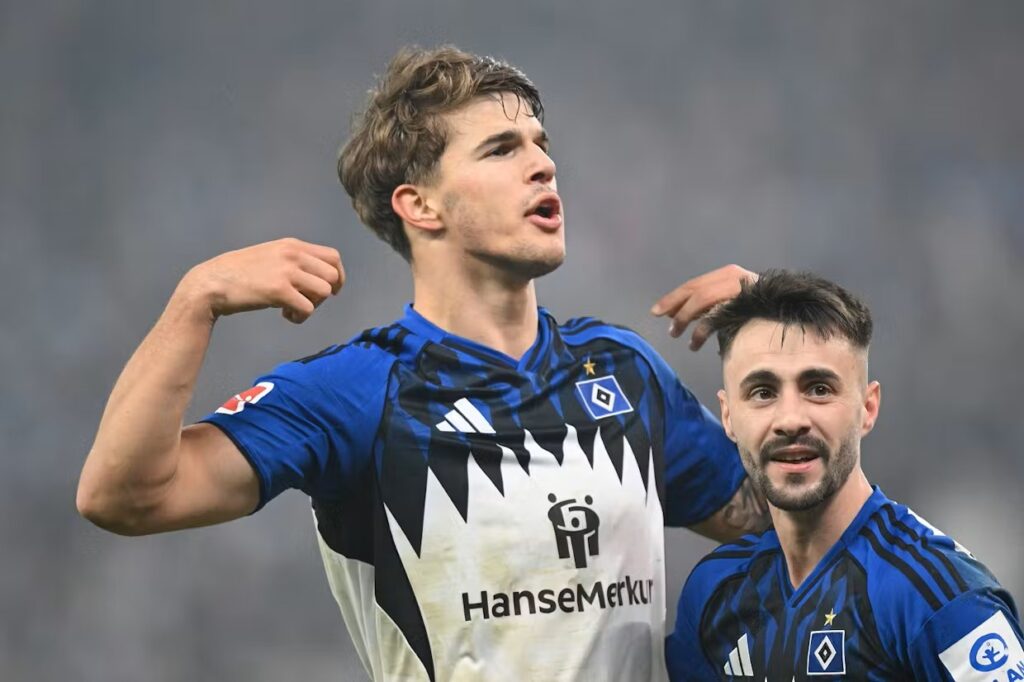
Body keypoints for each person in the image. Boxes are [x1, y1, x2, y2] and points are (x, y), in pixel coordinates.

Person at [77, 45, 769, 681]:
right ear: (420, 205)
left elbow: (782, 518)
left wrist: (782, 342)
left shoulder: (623, 372)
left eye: (540, 143)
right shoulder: (356, 391)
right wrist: (195, 299)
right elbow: (123, 496)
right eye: (501, 149)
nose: (542, 164)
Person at [666, 270, 1024, 681]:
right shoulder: (714, 595)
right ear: (728, 416)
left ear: (867, 408)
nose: (790, 419)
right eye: (763, 392)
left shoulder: (936, 599)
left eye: (819, 389)